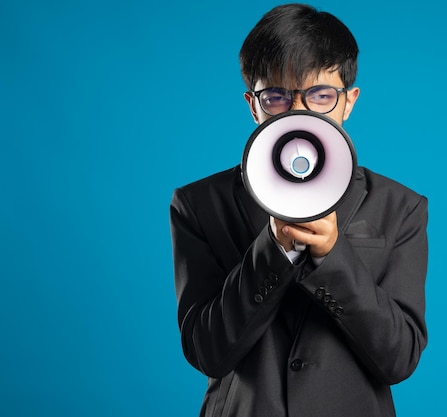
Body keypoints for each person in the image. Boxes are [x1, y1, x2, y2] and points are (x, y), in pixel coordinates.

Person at [169, 4, 428, 416]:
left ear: (348, 102)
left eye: (321, 95)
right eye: (276, 96)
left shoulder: (400, 207)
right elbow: (208, 353)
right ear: (253, 104)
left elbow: (399, 358)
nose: (299, 113)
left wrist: (333, 257)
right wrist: (273, 249)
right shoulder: (199, 204)